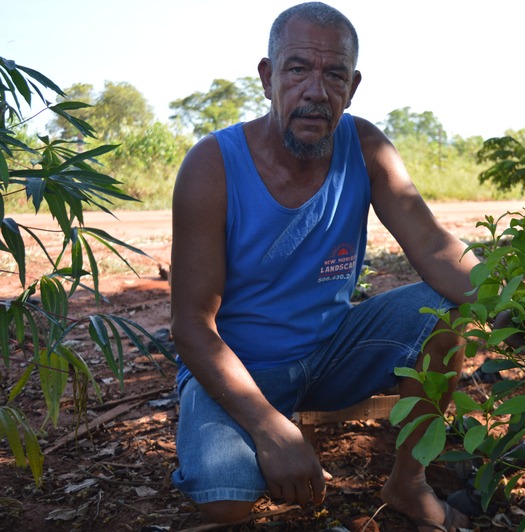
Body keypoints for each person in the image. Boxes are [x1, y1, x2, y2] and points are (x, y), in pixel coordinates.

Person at [169, 3, 482, 530]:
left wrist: (517, 309)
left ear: (352, 86)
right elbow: (190, 325)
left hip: (335, 350)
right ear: (268, 78)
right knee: (225, 503)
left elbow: (433, 247)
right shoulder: (211, 165)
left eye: (333, 73)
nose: (316, 90)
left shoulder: (364, 147)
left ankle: (408, 483)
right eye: (297, 69)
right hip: (240, 367)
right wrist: (270, 427)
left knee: (445, 309)